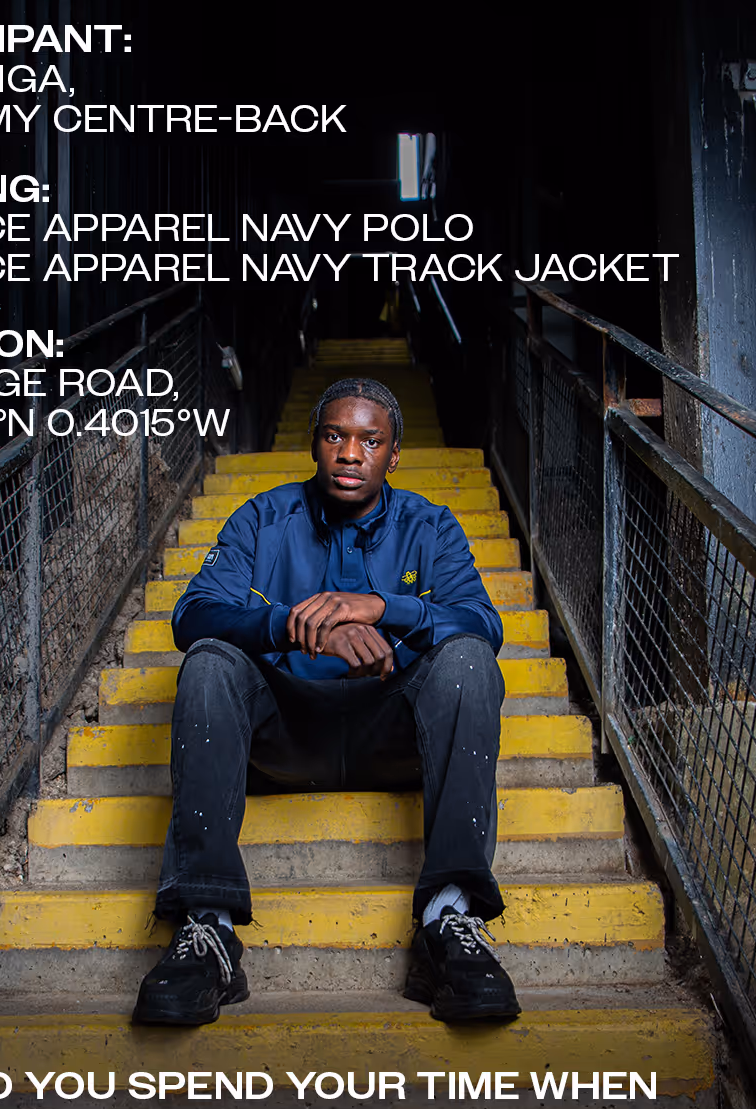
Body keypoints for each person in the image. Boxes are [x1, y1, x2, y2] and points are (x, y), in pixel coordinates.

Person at [132, 377, 520, 1026]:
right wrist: (288, 624)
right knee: (208, 662)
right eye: (335, 435)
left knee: (469, 661)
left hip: (392, 735)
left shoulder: (432, 525)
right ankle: (209, 931)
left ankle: (447, 921)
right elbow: (192, 615)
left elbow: (483, 624)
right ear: (314, 444)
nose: (349, 453)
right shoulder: (261, 518)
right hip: (285, 735)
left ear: (393, 455)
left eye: (370, 440)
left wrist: (384, 609)